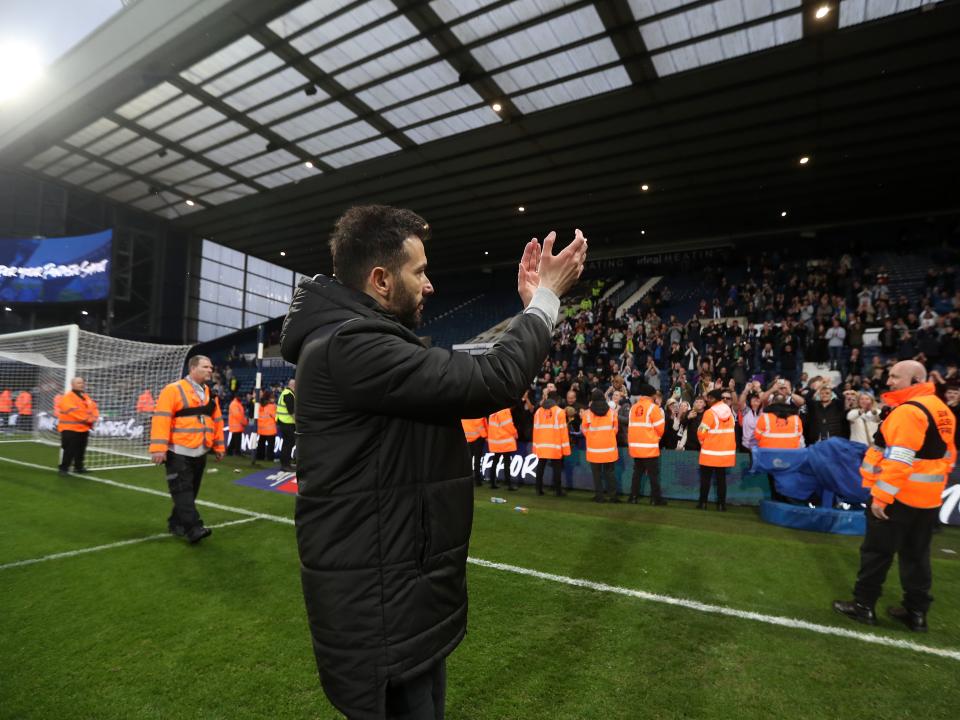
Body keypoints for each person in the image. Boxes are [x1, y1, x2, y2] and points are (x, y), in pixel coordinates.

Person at [278, 204, 587, 719]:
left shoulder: (349, 338)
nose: (430, 284)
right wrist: (546, 300)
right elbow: (492, 379)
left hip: (392, 592)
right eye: (419, 271)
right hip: (382, 606)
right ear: (381, 280)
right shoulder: (350, 343)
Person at [834, 360, 956, 632]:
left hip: (898, 498)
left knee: (876, 554)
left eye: (895, 376)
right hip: (927, 499)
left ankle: (863, 606)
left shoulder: (909, 412)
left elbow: (899, 460)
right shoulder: (942, 409)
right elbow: (949, 456)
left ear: (916, 380)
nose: (888, 381)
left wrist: (881, 497)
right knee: (917, 556)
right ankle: (916, 613)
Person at [149, 355, 225, 544]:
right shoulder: (173, 390)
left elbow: (217, 421)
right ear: (192, 368)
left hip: (200, 451)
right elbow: (161, 418)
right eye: (205, 367)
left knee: (190, 491)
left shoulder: (210, 393)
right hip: (178, 451)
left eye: (211, 367)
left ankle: (176, 523)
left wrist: (219, 446)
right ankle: (194, 528)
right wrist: (158, 448)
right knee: (183, 490)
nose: (210, 370)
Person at [755, 393, 804, 502]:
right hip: (790, 456)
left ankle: (776, 502)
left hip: (769, 456)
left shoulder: (765, 417)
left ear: (772, 403)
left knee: (773, 481)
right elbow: (799, 435)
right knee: (786, 479)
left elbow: (757, 435)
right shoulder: (796, 418)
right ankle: (785, 501)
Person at [697, 389, 736, 510]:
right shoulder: (729, 413)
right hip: (724, 453)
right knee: (721, 480)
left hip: (709, 451)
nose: (707, 400)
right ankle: (721, 505)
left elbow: (702, 432)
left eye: (709, 398)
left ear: (714, 399)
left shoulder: (710, 413)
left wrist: (702, 441)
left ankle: (703, 503)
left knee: (705, 479)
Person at [627, 384, 666, 505]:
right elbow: (660, 428)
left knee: (637, 474)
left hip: (636, 447)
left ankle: (633, 497)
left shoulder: (633, 408)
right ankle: (655, 499)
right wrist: (656, 438)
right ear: (652, 395)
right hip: (649, 447)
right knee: (653, 475)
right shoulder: (653, 408)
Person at [583, 388, 620, 503]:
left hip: (594, 449)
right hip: (609, 448)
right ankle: (613, 496)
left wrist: (592, 437)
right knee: (610, 473)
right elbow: (615, 429)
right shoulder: (612, 412)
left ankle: (599, 496)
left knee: (597, 474)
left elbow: (584, 430)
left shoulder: (587, 413)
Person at [57, 377, 99, 475]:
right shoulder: (67, 397)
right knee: (69, 450)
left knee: (81, 449)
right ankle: (64, 468)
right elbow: (75, 411)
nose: (81, 384)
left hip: (83, 428)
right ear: (73, 385)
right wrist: (89, 419)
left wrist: (94, 417)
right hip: (70, 429)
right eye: (79, 383)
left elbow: (94, 408)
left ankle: (79, 467)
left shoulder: (86, 397)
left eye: (82, 382)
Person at [531, 391, 570, 496]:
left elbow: (535, 430)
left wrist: (535, 447)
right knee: (557, 468)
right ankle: (558, 491)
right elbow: (563, 432)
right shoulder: (560, 412)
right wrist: (566, 449)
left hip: (541, 445)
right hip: (555, 446)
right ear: (556, 399)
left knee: (540, 467)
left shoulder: (538, 412)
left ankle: (538, 489)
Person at [487, 407, 518, 490]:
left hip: (496, 441)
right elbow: (508, 425)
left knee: (495, 462)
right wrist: (515, 433)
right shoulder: (504, 411)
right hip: (504, 441)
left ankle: (492, 482)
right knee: (507, 463)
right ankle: (509, 484)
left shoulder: (493, 411)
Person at [460, 416, 488, 487]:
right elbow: (479, 425)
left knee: (468, 460)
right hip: (477, 438)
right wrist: (485, 436)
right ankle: (477, 480)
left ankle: (465, 479)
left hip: (468, 438)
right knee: (477, 460)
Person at [276, 379, 296, 471]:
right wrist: (298, 421)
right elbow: (291, 411)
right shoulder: (289, 394)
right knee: (288, 444)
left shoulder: (285, 393)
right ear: (294, 385)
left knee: (287, 444)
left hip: (284, 422)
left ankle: (285, 464)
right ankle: (285, 465)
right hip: (287, 423)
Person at [255, 391, 277, 464]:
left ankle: (259, 457)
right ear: (269, 398)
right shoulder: (272, 406)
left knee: (261, 444)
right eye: (272, 397)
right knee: (270, 445)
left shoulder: (259, 405)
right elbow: (275, 417)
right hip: (270, 429)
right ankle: (270, 458)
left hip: (261, 429)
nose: (273, 399)